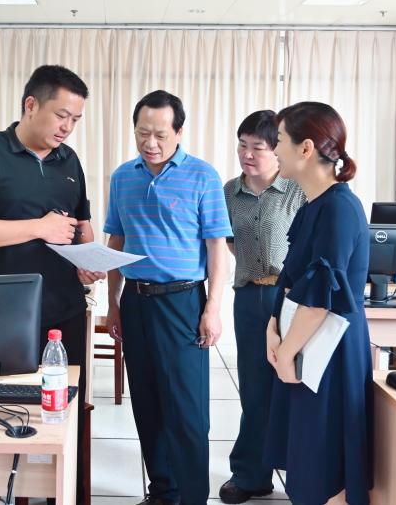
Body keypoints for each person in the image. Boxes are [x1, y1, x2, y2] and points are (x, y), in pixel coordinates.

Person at [0, 64, 103, 502]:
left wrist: (88, 259)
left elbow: (81, 223)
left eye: (75, 119)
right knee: (3, 412)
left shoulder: (69, 161)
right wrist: (37, 227)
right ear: (30, 105)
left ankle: (61, 493)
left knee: (63, 412)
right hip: (2, 315)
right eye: (61, 115)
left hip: (63, 312)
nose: (67, 127)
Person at [103, 90, 231, 505]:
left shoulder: (203, 176)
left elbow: (216, 247)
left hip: (182, 301)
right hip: (135, 301)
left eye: (160, 134)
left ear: (179, 132)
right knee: (146, 402)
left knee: (186, 409)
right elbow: (115, 241)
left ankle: (192, 497)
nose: (150, 143)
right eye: (142, 133)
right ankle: (162, 491)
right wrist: (113, 305)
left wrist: (213, 308)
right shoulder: (123, 177)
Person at [264, 101, 373, 505]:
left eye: (279, 140)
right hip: (303, 344)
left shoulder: (339, 208)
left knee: (323, 461)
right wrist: (273, 332)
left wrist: (286, 351)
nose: (274, 149)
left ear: (306, 148)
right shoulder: (313, 205)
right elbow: (293, 279)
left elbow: (321, 300)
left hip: (329, 350)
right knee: (305, 455)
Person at [220, 110, 307, 504]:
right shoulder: (229, 191)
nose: (247, 154)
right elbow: (227, 241)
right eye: (242, 145)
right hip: (249, 298)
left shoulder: (297, 190)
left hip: (292, 299)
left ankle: (302, 473)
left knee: (294, 386)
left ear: (278, 151)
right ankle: (250, 475)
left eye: (258, 146)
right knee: (254, 391)